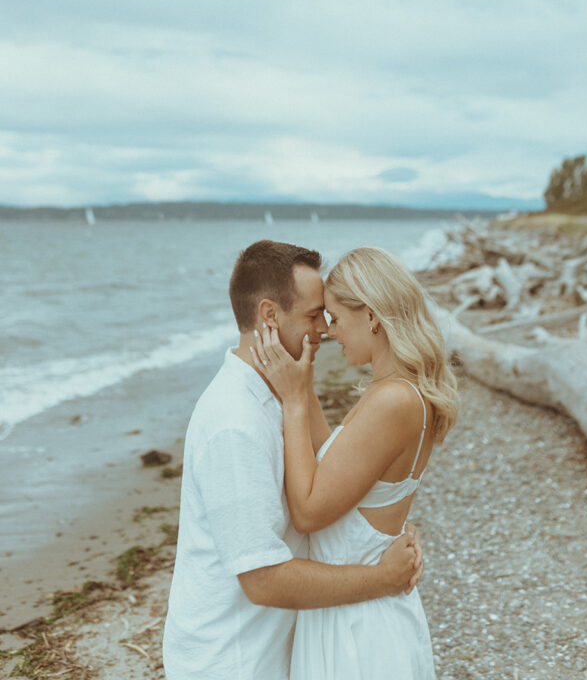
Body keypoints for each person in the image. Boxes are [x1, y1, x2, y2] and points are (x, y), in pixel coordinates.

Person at [163, 240, 422, 680]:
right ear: (269, 316)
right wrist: (383, 578)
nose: (324, 328)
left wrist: (385, 531)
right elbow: (263, 580)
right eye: (312, 314)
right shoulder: (234, 422)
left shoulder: (279, 396)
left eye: (327, 315)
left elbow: (335, 483)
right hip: (233, 661)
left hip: (283, 649)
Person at [252, 245, 459, 680]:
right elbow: (342, 465)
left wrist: (291, 402)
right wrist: (304, 386)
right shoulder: (400, 391)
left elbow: (308, 511)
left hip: (357, 630)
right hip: (360, 613)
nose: (327, 331)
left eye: (334, 317)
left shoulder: (393, 401)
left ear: (372, 316)